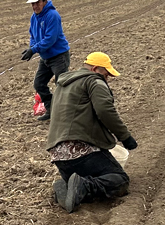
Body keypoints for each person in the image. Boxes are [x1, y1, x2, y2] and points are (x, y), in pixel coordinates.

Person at [45, 52, 137, 213]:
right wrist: (125, 137)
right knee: (120, 181)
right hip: (81, 150)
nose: (107, 78)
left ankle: (68, 187)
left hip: (58, 155)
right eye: (106, 74)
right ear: (95, 69)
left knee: (81, 179)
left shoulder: (62, 85)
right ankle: (84, 186)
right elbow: (105, 110)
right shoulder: (94, 81)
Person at [21, 0, 71, 122]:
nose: (34, 6)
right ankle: (52, 109)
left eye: (37, 3)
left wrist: (34, 50)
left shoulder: (52, 15)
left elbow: (50, 39)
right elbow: (33, 35)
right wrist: (32, 47)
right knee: (39, 84)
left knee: (62, 85)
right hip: (46, 57)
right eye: (32, 4)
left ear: (44, 1)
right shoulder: (34, 17)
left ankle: (66, 115)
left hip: (59, 56)